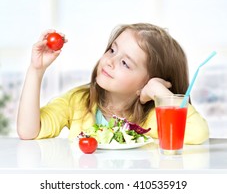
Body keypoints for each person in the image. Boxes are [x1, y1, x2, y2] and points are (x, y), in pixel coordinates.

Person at [17, 23, 209, 144]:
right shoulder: (78, 102)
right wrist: (36, 70)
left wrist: (160, 93)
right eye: (112, 50)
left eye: (125, 63)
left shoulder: (155, 117)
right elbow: (28, 131)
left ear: (144, 85)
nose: (110, 61)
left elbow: (198, 133)